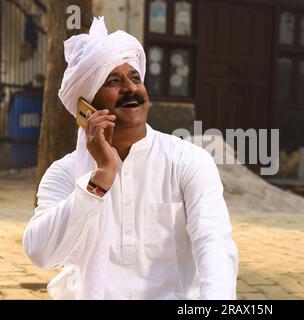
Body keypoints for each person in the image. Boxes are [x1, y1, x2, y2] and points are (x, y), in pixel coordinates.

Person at [23, 17, 238, 300]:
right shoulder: (65, 173)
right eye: (113, 81)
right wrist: (99, 178)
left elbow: (213, 243)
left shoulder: (187, 160)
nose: (131, 88)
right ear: (87, 107)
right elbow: (41, 253)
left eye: (135, 77)